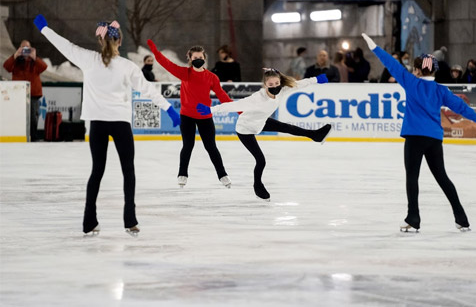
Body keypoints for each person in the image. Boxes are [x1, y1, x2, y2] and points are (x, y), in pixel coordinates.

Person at [33, 15, 180, 236]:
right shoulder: (127, 66)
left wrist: (45, 29)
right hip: (120, 123)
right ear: (119, 41)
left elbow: (64, 45)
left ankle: (88, 221)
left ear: (100, 41)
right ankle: (130, 220)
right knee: (128, 170)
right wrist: (168, 108)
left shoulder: (88, 59)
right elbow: (147, 90)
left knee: (97, 171)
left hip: (98, 123)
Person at [361, 33, 476, 232]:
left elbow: (391, 64)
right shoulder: (440, 90)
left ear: (417, 70)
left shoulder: (411, 82)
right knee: (442, 177)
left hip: (415, 138)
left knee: (412, 177)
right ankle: (461, 218)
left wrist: (374, 46)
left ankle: (414, 218)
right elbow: (463, 108)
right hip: (434, 139)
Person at [196, 69, 332, 201]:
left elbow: (298, 84)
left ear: (280, 82)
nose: (274, 87)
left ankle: (316, 135)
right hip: (245, 129)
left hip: (260, 122)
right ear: (265, 85)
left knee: (288, 127)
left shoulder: (282, 90)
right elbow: (234, 106)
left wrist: (316, 80)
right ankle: (258, 186)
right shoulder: (257, 98)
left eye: (276, 84)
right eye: (270, 85)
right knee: (261, 160)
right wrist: (211, 110)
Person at [147, 39, 232, 188]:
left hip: (205, 117)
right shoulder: (185, 73)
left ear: (204, 58)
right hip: (187, 116)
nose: (198, 60)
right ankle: (182, 174)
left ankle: (222, 175)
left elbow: (222, 95)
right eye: (195, 58)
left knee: (211, 147)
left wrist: (237, 108)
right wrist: (155, 51)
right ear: (190, 59)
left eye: (200, 58)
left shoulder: (212, 77)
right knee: (188, 145)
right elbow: (166, 63)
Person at [3, 40, 47, 141]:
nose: (25, 50)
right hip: (18, 94)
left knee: (33, 117)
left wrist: (34, 57)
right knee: (18, 116)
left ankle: (34, 137)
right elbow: (6, 66)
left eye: (27, 48)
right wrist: (15, 55)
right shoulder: (15, 61)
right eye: (23, 48)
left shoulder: (35, 62)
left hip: (33, 94)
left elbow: (44, 67)